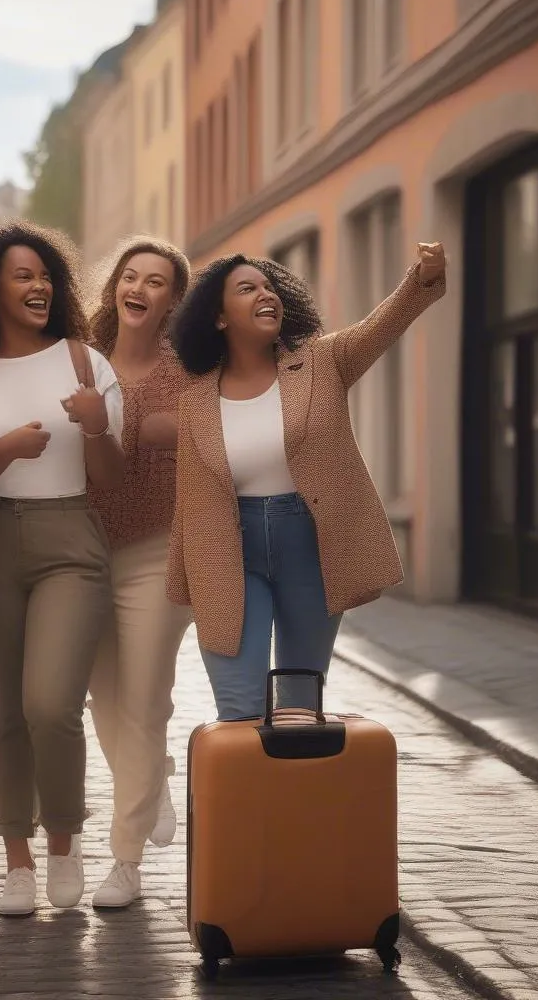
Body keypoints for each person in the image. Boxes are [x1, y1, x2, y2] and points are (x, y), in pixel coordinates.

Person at [167, 243, 447, 720]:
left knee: (299, 705)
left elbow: (381, 327)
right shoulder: (194, 400)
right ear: (219, 317)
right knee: (239, 706)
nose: (266, 294)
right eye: (247, 288)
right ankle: (243, 797)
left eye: (271, 287)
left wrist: (422, 277)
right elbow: (192, 498)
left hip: (312, 545)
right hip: (228, 552)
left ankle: (287, 795)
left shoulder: (322, 361)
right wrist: (180, 580)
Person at [0, 221, 125, 917]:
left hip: (70, 536)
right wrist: (7, 447)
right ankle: (17, 860)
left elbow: (110, 477)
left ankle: (64, 843)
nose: (39, 286)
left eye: (45, 275)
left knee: (50, 704)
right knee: (3, 711)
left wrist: (97, 422)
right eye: (23, 275)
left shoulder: (85, 363)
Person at [83, 236, 194, 909]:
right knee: (103, 700)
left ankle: (123, 863)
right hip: (85, 551)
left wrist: (174, 431)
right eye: (131, 275)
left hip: (158, 551)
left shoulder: (190, 374)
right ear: (115, 287)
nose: (140, 288)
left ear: (172, 300)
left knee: (146, 697)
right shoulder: (79, 361)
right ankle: (155, 775)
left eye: (156, 281)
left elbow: (216, 441)